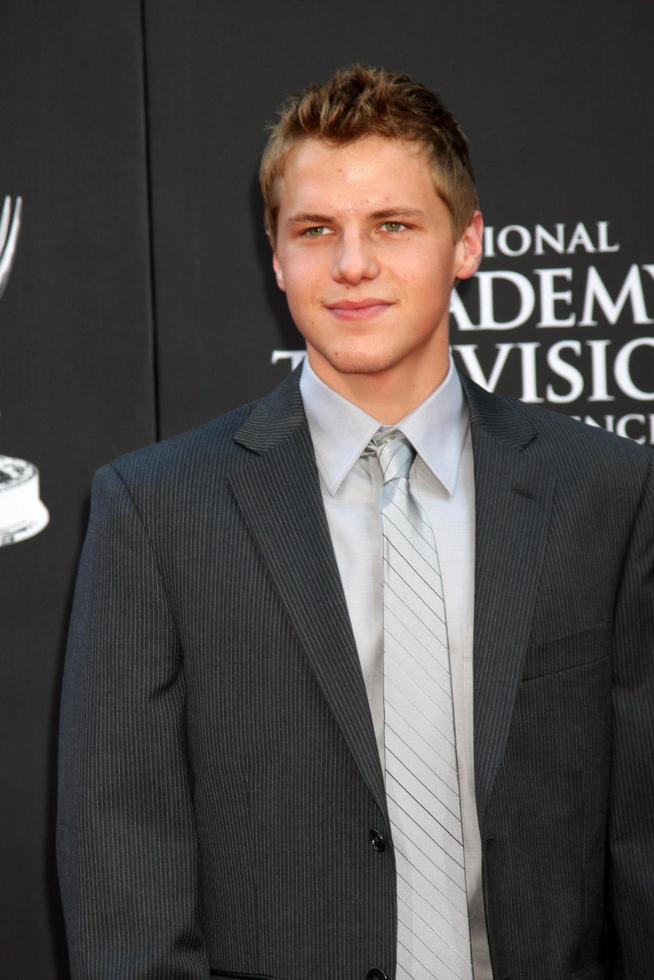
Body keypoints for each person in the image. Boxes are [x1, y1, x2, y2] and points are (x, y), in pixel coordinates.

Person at [57, 65, 654, 979]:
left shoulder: (605, 491)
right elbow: (121, 864)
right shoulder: (157, 509)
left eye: (393, 226)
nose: (352, 265)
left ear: (467, 244)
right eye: (315, 231)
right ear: (277, 256)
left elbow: (640, 841)